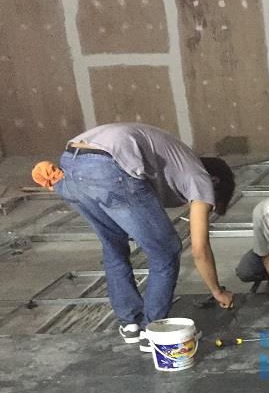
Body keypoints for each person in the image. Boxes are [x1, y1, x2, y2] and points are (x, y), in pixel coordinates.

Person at [47, 123, 235, 351]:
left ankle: (130, 324)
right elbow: (199, 249)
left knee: (113, 245)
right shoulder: (200, 176)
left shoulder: (176, 162)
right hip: (110, 164)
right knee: (166, 250)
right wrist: (217, 291)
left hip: (71, 163)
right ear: (215, 181)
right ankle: (152, 330)